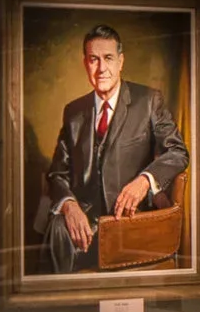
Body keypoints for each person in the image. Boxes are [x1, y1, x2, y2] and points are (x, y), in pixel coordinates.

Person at [40, 24, 188, 274]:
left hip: (128, 220)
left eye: (108, 58)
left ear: (121, 61)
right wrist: (69, 205)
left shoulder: (149, 101)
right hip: (84, 223)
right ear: (85, 63)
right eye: (93, 59)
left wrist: (144, 180)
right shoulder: (73, 111)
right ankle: (61, 304)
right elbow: (57, 173)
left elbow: (178, 152)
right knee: (57, 226)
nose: (101, 68)